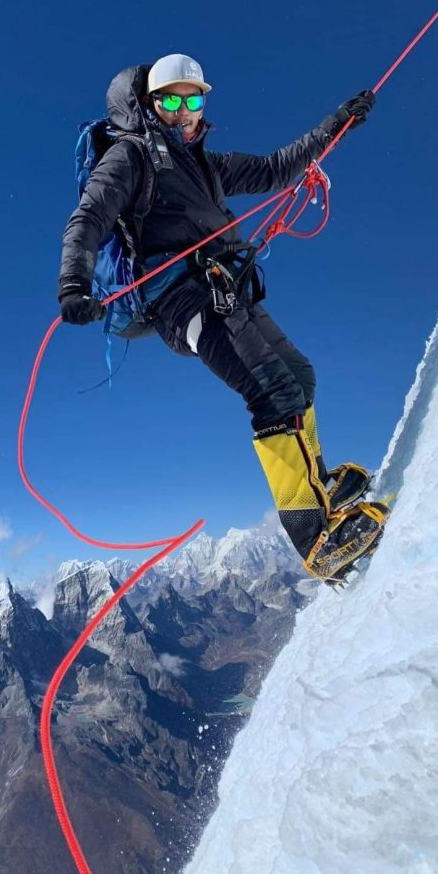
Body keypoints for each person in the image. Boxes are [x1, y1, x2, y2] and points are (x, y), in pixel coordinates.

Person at [57, 54, 389, 582]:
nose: (184, 109)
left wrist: (337, 125)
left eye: (194, 98)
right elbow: (89, 218)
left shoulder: (207, 164)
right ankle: (315, 539)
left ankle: (318, 485)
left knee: (298, 376)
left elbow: (277, 167)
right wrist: (73, 283)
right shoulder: (130, 156)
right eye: (171, 99)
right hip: (179, 300)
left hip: (224, 287)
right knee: (271, 390)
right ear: (149, 104)